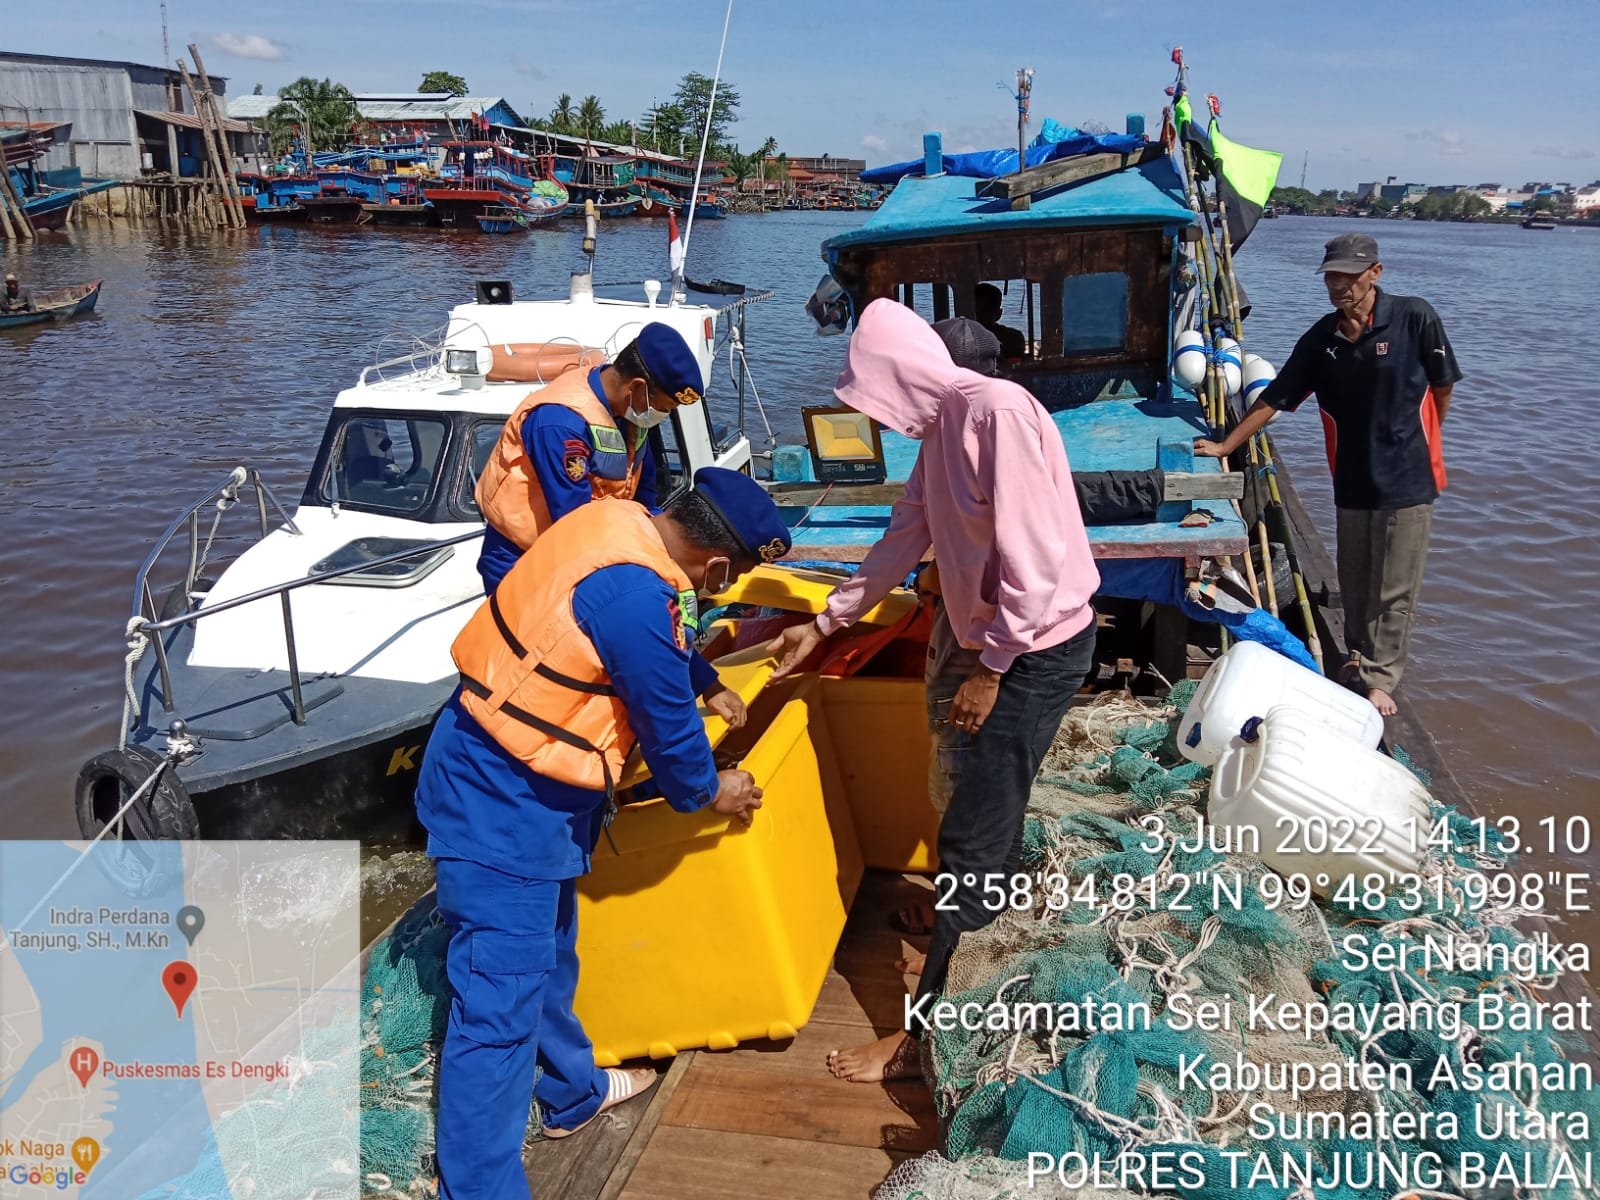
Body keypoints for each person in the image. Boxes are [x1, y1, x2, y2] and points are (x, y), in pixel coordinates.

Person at [416, 468, 792, 1200]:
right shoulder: (638, 594)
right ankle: (481, 1187)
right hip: (503, 806)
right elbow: (676, 746)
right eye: (729, 578)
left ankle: (572, 1090)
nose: (717, 588)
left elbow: (645, 640)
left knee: (553, 951)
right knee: (495, 1007)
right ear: (716, 567)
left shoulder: (613, 524)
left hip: (527, 791)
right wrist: (718, 790)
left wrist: (702, 676)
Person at [768, 298, 1100, 1084]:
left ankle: (923, 1037)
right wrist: (825, 621)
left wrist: (991, 668)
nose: (880, 418)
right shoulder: (944, 427)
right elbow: (904, 534)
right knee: (976, 809)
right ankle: (971, 913)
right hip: (994, 639)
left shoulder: (996, 412)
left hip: (1032, 651)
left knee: (974, 836)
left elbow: (1035, 556)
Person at [1195, 233, 1461, 717]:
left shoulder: (1414, 318)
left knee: (1394, 585)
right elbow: (1276, 397)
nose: (1340, 285)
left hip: (1407, 479)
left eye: (1350, 276)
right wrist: (1226, 445)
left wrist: (1424, 441)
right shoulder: (1323, 339)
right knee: (1356, 579)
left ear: (1375, 273)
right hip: (1352, 477)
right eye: (1332, 276)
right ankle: (1359, 657)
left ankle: (1382, 678)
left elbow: (1442, 388)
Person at [475, 321, 746, 725]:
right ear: (637, 387)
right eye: (665, 408)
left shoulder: (630, 416)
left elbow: (644, 498)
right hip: (524, 561)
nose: (661, 417)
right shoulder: (559, 424)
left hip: (591, 546)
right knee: (543, 667)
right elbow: (575, 530)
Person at [975, 282, 1027, 360]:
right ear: (999, 314)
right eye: (977, 313)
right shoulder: (1013, 337)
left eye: (984, 313)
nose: (980, 318)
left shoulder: (1012, 338)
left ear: (998, 314)